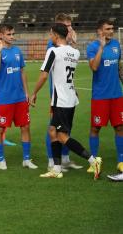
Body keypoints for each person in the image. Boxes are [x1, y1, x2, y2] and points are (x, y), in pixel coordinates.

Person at [30, 23, 102, 179]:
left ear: (56, 35)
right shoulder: (75, 52)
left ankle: (93, 160)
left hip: (61, 100)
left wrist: (34, 93)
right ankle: (56, 169)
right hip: (70, 98)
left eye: (51, 34)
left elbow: (44, 75)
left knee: (62, 136)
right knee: (52, 131)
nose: (50, 37)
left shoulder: (53, 51)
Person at [0, 24, 37, 170]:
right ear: (1, 35)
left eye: (13, 34)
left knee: (25, 127)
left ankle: (26, 159)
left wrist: (26, 92)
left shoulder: (17, 51)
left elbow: (22, 71)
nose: (12, 37)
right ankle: (1, 160)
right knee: (0, 129)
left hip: (19, 98)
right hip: (5, 98)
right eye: (9, 34)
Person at [43, 13, 82, 171]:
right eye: (67, 26)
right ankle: (52, 160)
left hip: (68, 91)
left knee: (64, 129)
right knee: (53, 128)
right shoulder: (52, 46)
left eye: (71, 25)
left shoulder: (67, 46)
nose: (70, 28)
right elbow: (52, 71)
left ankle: (65, 159)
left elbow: (69, 69)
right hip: (58, 94)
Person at [86, 19, 123, 178]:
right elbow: (94, 67)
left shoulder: (116, 45)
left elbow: (119, 68)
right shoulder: (92, 47)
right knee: (95, 128)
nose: (111, 31)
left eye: (112, 28)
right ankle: (93, 160)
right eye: (108, 28)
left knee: (120, 127)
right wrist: (101, 46)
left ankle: (121, 160)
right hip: (100, 96)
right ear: (100, 31)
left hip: (117, 95)